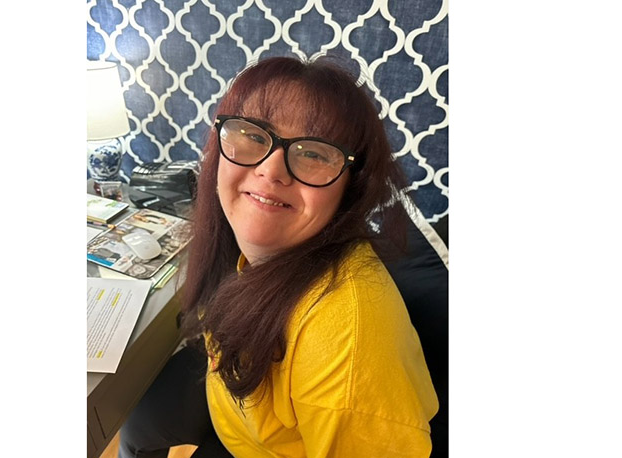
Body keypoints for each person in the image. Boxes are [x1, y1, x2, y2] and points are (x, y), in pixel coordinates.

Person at [119, 56, 438, 458]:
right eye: (252, 135)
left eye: (315, 154)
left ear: (349, 190)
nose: (271, 171)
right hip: (237, 407)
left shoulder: (347, 342)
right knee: (136, 420)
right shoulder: (267, 248)